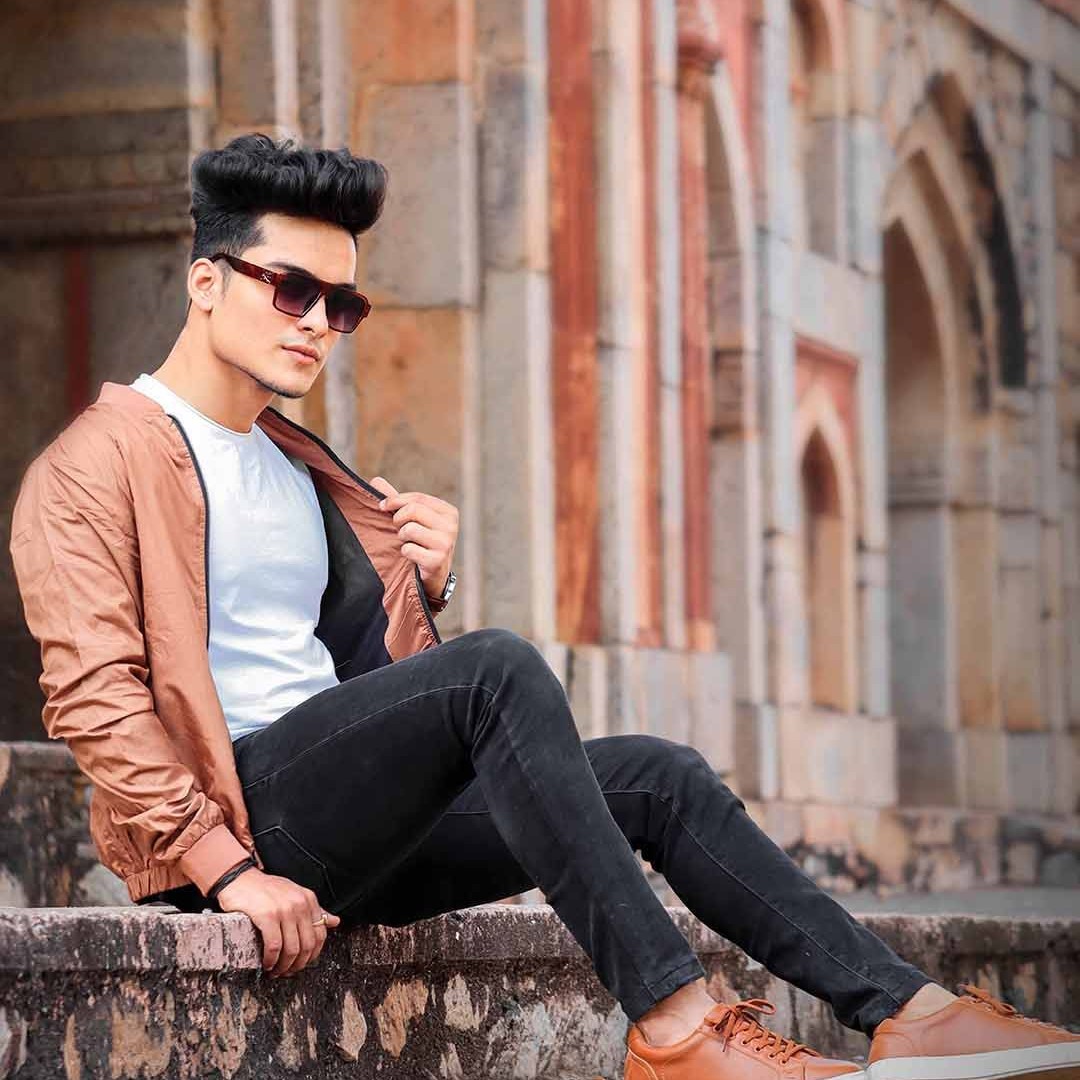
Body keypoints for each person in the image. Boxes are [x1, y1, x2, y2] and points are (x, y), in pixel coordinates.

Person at [8, 133, 1077, 1080]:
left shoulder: (297, 467)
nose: (320, 324)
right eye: (293, 290)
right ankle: (676, 1032)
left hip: (341, 826)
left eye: (343, 304)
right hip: (238, 827)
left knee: (659, 776)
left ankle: (909, 1013)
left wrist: (423, 587)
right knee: (497, 667)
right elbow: (94, 700)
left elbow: (364, 689)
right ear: (206, 281)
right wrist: (230, 873)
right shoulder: (94, 464)